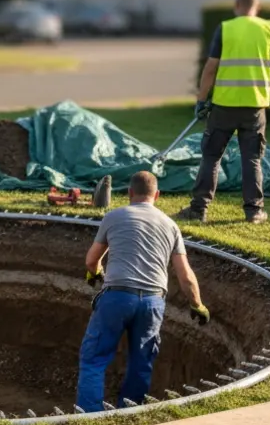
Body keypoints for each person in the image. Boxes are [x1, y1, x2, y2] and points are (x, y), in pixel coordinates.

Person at [76, 171, 209, 412]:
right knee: (141, 362)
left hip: (117, 296)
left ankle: (89, 416)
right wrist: (197, 304)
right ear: (157, 195)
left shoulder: (114, 216)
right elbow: (185, 274)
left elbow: (91, 260)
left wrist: (95, 273)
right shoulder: (171, 226)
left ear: (129, 193)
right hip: (152, 302)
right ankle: (129, 412)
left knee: (94, 359)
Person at [180, 0, 270, 225]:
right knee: (252, 159)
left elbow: (210, 68)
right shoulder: (269, 30)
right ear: (257, 7)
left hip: (223, 107)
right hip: (255, 109)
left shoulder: (226, 28)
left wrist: (200, 99)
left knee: (211, 157)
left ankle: (199, 209)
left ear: (236, 6)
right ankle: (254, 212)